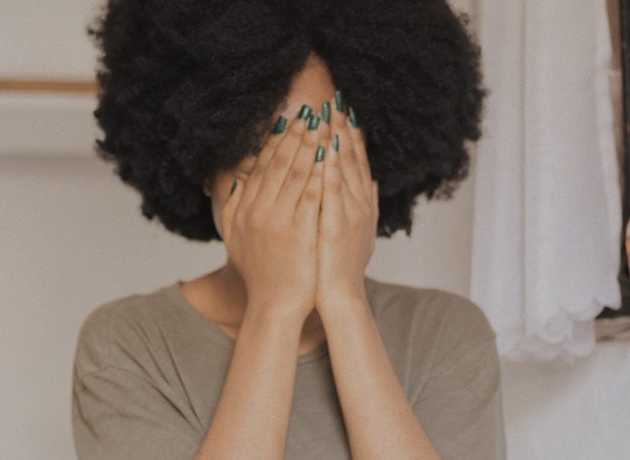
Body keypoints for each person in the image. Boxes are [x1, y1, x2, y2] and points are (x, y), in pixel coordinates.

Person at [71, 0, 506, 459]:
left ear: (372, 166)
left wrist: (345, 302)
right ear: (203, 161)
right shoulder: (130, 344)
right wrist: (274, 309)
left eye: (322, 148)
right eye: (264, 155)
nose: (294, 183)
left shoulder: (445, 334)